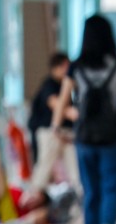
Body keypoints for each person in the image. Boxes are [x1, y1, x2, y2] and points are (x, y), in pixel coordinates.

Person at [52, 15, 116, 224]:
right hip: (112, 136)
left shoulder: (76, 67)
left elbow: (64, 99)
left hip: (85, 137)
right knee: (113, 186)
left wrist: (57, 127)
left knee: (91, 189)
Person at [27, 53, 79, 192]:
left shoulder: (65, 84)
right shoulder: (49, 84)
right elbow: (54, 103)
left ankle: (80, 203)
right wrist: (72, 113)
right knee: (44, 169)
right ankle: (32, 200)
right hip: (49, 132)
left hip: (67, 133)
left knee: (75, 172)